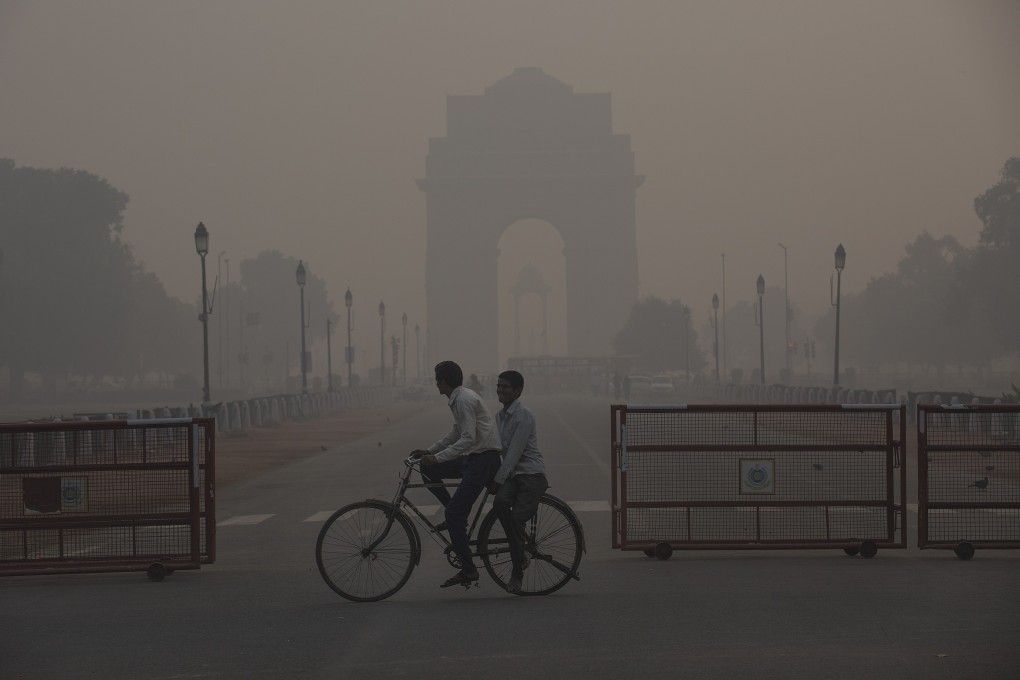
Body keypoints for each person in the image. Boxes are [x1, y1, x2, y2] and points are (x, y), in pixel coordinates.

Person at [411, 361, 502, 588]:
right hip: (475, 457)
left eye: (437, 380)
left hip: (482, 460)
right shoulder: (459, 398)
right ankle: (454, 514)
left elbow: (468, 438)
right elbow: (456, 432)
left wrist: (439, 457)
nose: (435, 384)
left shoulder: (462, 399)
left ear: (444, 382)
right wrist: (431, 451)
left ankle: (469, 569)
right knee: (427, 467)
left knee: (454, 515)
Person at [489, 370, 549, 593]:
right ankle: (519, 549)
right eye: (498, 386)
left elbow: (513, 453)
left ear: (517, 391)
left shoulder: (524, 415)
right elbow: (499, 449)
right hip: (514, 476)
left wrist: (497, 479)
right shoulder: (499, 416)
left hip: (531, 475)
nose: (500, 390)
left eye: (505, 387)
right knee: (499, 503)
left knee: (515, 520)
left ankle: (517, 572)